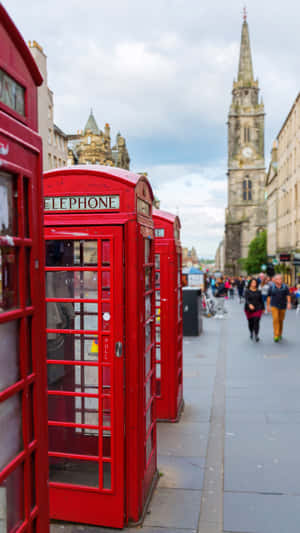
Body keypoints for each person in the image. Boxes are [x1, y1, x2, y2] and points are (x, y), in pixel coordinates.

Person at [266, 274, 291, 342]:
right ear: (275, 280)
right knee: (275, 319)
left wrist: (289, 303)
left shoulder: (285, 287)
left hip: (283, 305)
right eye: (278, 279)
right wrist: (268, 306)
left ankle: (280, 333)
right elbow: (268, 297)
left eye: (280, 279)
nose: (279, 280)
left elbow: (288, 295)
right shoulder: (271, 287)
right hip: (274, 305)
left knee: (280, 320)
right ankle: (276, 335)